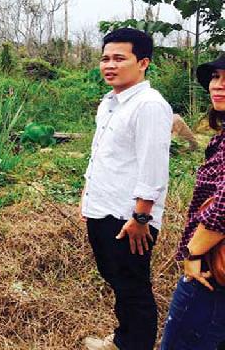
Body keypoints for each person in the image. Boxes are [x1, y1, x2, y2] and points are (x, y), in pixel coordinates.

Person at [80, 28, 173, 350]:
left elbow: (154, 166)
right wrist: (87, 197)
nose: (110, 65)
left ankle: (136, 343)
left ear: (143, 62)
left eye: (120, 58)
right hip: (101, 206)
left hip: (129, 217)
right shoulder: (110, 103)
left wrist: (141, 217)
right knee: (116, 278)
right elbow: (103, 156)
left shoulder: (149, 105)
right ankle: (124, 338)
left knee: (132, 285)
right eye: (105, 58)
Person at [160, 54, 225, 349]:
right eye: (215, 77)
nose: (218, 86)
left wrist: (193, 252)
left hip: (211, 267)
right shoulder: (220, 139)